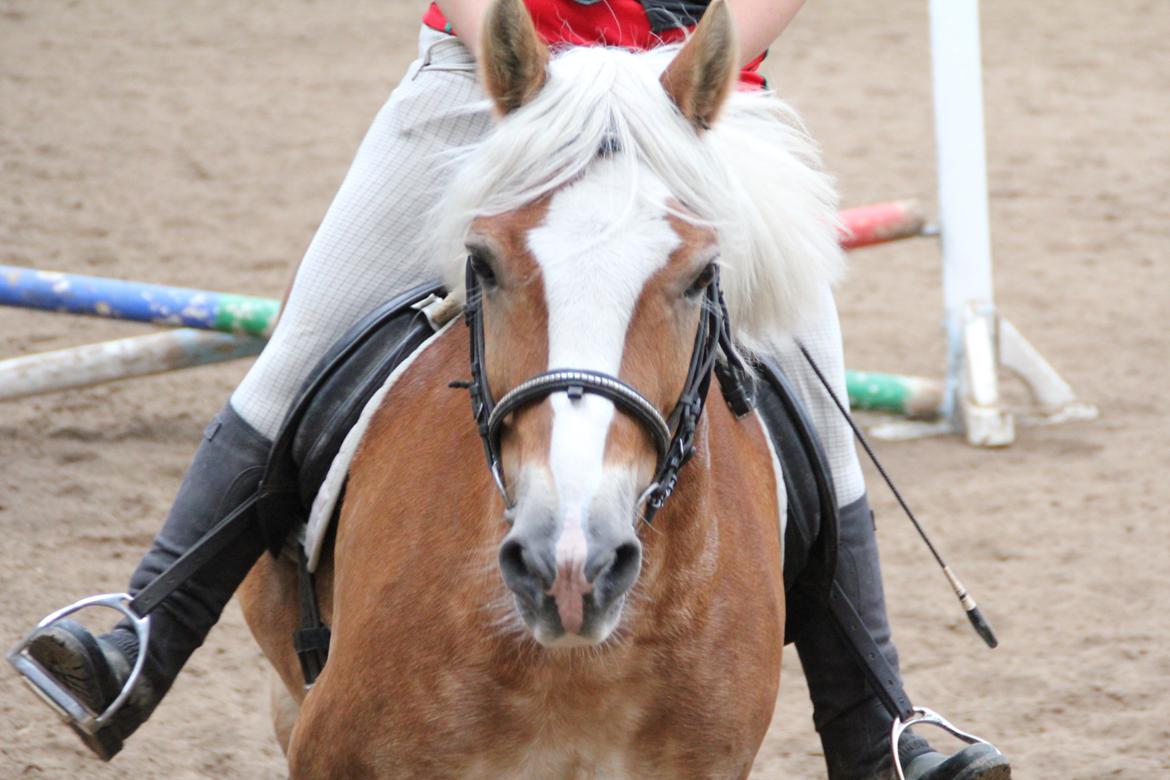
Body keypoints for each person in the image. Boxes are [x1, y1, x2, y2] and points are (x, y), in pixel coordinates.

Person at [16, 1, 1010, 778]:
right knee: (302, 346)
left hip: (692, 102)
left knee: (815, 405)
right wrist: (513, 63)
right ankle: (142, 630)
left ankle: (878, 730)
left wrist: (677, 84)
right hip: (491, 82)